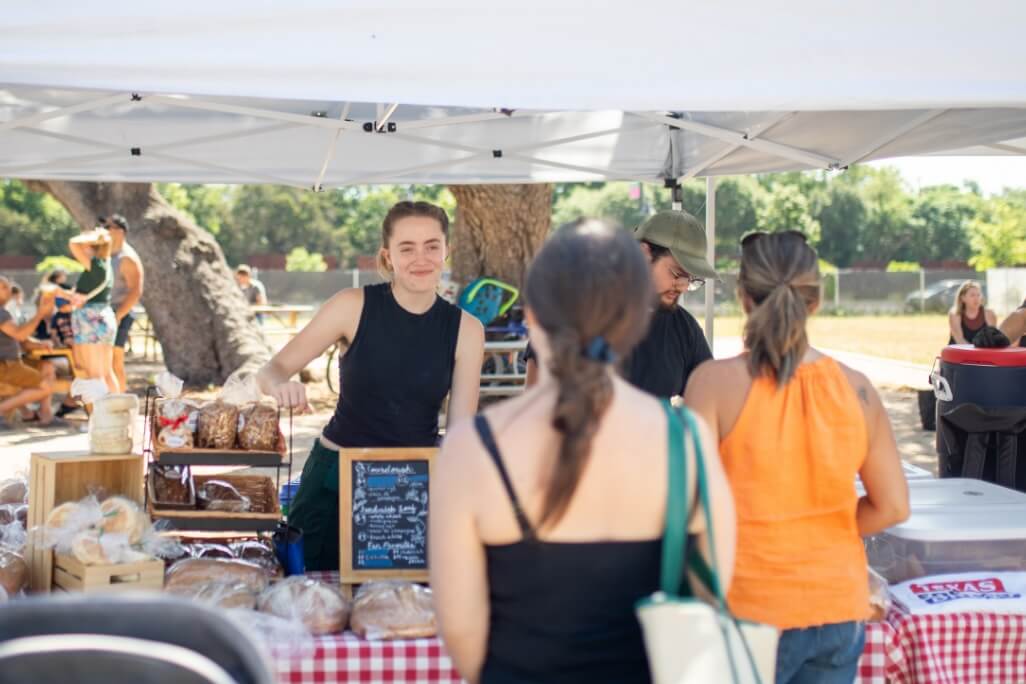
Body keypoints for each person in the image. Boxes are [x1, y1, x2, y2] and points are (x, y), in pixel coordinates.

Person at [431, 219, 736, 684]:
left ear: (532, 316)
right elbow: (709, 600)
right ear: (634, 320)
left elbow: (461, 632)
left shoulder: (472, 449)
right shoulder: (687, 441)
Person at [684, 231, 910, 684]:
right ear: (817, 300)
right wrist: (818, 527)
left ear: (743, 297)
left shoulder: (712, 383)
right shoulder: (858, 388)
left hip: (744, 605)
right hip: (837, 606)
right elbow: (893, 506)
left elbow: (692, 507)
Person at [257, 201, 485, 571]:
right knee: (311, 596)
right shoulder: (351, 305)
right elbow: (271, 370)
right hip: (334, 480)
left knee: (401, 609)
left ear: (447, 252)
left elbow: (460, 431)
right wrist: (282, 384)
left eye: (432, 245)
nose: (421, 257)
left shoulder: (467, 330)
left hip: (411, 489)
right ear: (388, 256)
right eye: (406, 247)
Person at [523, 210, 714, 399]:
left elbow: (710, 395)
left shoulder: (683, 328)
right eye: (677, 273)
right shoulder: (575, 310)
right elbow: (533, 402)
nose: (682, 286)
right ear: (645, 253)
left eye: (690, 278)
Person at [0, 276, 57, 427]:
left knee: (47, 366)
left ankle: (45, 415)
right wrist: (40, 314)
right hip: (6, 366)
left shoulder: (4, 312)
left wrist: (39, 344)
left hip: (12, 363)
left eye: (9, 287)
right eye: (4, 288)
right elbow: (19, 334)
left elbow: (20, 339)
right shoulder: (1, 313)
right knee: (47, 386)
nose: (9, 291)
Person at [68, 228, 118, 394]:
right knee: (106, 373)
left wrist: (93, 236)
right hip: (102, 317)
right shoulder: (105, 265)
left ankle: (102, 417)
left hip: (91, 320)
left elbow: (73, 243)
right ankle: (118, 415)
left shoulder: (96, 264)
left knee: (94, 375)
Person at [105, 214, 144, 393]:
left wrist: (118, 315)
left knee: (115, 361)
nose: (104, 230)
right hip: (106, 313)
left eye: (108, 227)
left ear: (120, 231)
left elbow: (135, 291)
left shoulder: (126, 258)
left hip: (119, 313)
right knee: (104, 361)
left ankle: (120, 401)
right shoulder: (108, 254)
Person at [948, 280, 997, 345]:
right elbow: (959, 340)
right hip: (959, 352)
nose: (976, 298)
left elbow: (992, 340)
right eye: (972, 295)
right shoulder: (955, 314)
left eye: (978, 295)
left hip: (981, 353)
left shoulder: (990, 314)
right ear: (963, 298)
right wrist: (975, 353)